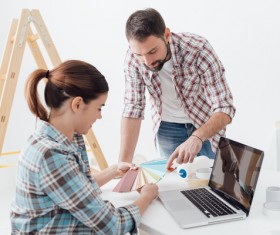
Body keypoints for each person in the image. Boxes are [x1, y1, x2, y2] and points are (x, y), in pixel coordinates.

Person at [10, 60, 158, 234]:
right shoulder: (52, 155)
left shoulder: (53, 140)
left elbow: (76, 190)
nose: (100, 116)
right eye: (99, 108)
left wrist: (114, 171)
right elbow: (113, 225)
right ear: (77, 104)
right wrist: (147, 196)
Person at [118, 8, 236, 169]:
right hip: (167, 129)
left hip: (205, 125)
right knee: (174, 183)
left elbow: (225, 107)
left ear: (166, 35)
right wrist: (122, 164)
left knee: (211, 182)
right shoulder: (133, 58)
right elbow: (133, 108)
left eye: (153, 51)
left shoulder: (198, 49)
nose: (147, 61)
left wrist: (197, 137)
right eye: (140, 54)